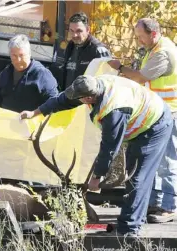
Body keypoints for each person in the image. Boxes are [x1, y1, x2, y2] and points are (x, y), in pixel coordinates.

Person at [20, 74, 173, 236]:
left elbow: (110, 147)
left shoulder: (114, 110)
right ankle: (135, 219)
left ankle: (128, 231)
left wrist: (97, 176)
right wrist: (35, 112)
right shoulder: (89, 84)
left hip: (155, 124)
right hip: (139, 118)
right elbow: (63, 99)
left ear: (87, 98)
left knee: (138, 176)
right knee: (134, 174)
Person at [108, 18, 177, 223]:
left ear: (153, 34)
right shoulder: (152, 48)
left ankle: (169, 206)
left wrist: (120, 67)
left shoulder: (163, 53)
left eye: (141, 37)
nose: (139, 41)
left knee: (167, 161)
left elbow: (140, 77)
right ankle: (155, 203)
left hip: (171, 113)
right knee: (155, 160)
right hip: (158, 113)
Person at [0, 34, 58, 112]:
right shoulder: (6, 72)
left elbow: (54, 102)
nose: (18, 60)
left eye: (21, 55)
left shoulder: (41, 74)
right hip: (7, 120)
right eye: (14, 56)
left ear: (29, 54)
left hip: (32, 122)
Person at [56, 12, 111, 91]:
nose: (74, 35)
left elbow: (107, 82)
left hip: (87, 101)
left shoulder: (99, 50)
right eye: (71, 31)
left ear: (88, 29)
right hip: (68, 99)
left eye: (79, 31)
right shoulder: (71, 45)